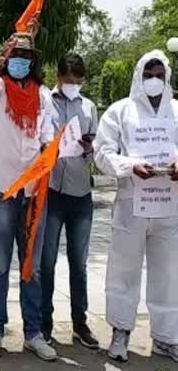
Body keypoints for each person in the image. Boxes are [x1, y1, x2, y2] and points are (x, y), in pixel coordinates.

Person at [94, 50, 178, 364]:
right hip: (132, 203)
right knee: (123, 271)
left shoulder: (176, 111)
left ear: (167, 77)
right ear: (138, 76)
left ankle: (167, 337)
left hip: (170, 206)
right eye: (148, 74)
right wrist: (130, 165)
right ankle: (120, 332)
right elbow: (102, 154)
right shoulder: (120, 111)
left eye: (159, 74)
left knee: (169, 274)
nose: (154, 80)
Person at [0, 31, 56, 362]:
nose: (20, 61)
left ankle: (33, 333)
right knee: (0, 265)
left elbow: (48, 136)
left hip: (34, 192)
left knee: (32, 267)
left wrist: (44, 154)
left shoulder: (43, 96)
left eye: (25, 56)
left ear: (32, 61)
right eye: (15, 56)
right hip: (2, 191)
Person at [40, 53, 99, 349]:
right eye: (68, 81)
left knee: (79, 262)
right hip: (51, 191)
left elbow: (98, 151)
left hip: (80, 194)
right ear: (59, 77)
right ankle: (44, 323)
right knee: (46, 261)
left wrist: (90, 147)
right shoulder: (45, 102)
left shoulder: (89, 107)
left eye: (78, 82)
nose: (73, 85)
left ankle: (80, 323)